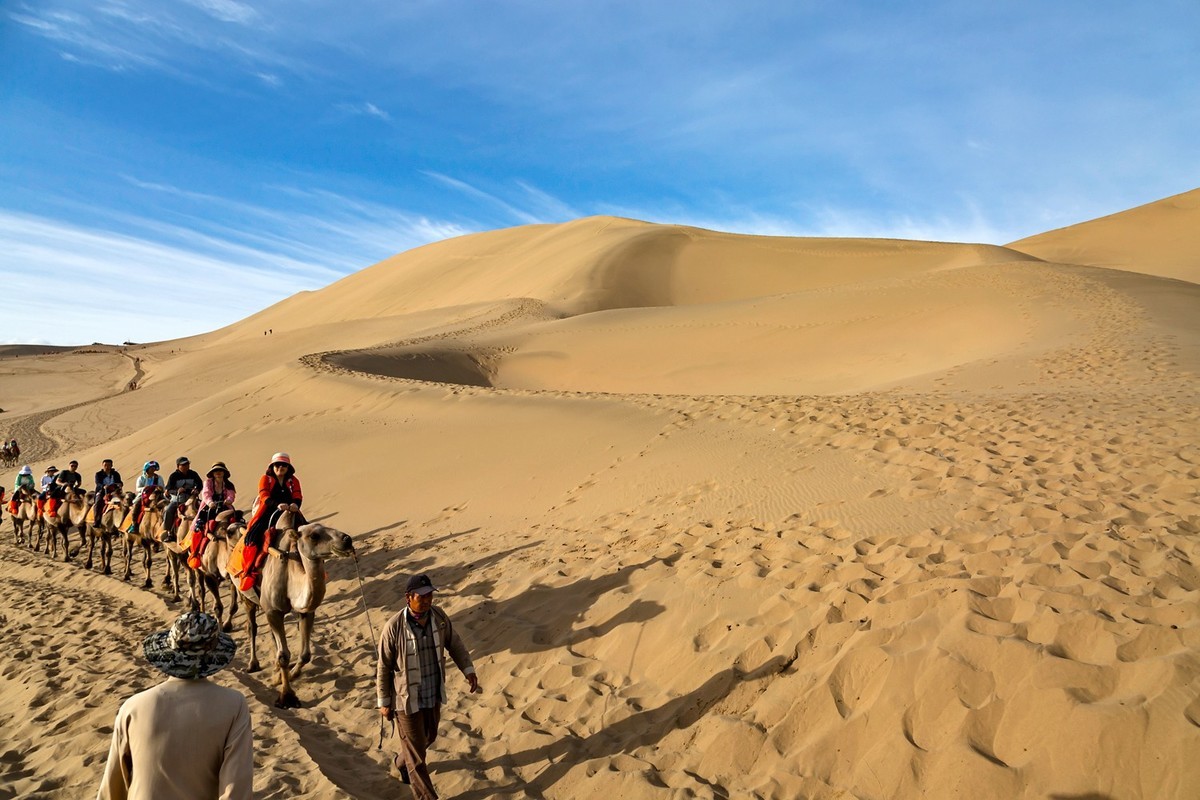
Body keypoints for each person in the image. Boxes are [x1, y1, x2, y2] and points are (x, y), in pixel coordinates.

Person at [96, 610, 253, 800]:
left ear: (170, 652)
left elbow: (113, 786)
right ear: (213, 655)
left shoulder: (132, 707)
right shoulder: (234, 705)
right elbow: (235, 789)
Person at [376, 574, 480, 799]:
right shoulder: (393, 627)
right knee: (418, 757)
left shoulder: (439, 618)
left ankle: (401, 761)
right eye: (421, 596)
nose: (427, 600)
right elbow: (383, 667)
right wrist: (384, 702)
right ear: (408, 597)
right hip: (406, 698)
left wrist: (468, 670)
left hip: (432, 693)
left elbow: (455, 643)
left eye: (430, 595)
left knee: (428, 738)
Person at [236, 453, 303, 598]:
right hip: (269, 513)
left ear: (288, 467)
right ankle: (248, 572)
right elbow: (264, 496)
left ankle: (314, 567)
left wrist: (294, 505)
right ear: (272, 466)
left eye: (284, 465)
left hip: (290, 512)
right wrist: (277, 505)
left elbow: (298, 495)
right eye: (277, 465)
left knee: (309, 533)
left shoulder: (293, 481)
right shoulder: (265, 479)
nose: (280, 467)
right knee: (251, 538)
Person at [188, 462, 236, 570]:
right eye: (216, 471)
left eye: (220, 471)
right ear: (213, 473)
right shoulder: (208, 482)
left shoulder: (228, 484)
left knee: (237, 523)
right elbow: (206, 494)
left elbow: (231, 495)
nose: (218, 473)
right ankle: (195, 554)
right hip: (209, 508)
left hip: (224, 507)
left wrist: (228, 500)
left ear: (224, 473)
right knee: (199, 527)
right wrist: (210, 502)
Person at [163, 457, 203, 540]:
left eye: (187, 464)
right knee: (168, 510)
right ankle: (169, 532)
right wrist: (177, 490)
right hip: (177, 500)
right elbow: (169, 489)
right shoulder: (173, 476)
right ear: (178, 466)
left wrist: (197, 490)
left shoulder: (193, 474)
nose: (186, 466)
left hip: (192, 498)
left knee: (204, 509)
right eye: (183, 465)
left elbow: (200, 484)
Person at [128, 461, 165, 534]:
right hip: (143, 495)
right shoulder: (141, 478)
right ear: (147, 469)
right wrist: (144, 488)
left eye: (154, 468)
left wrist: (159, 488)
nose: (153, 470)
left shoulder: (158, 477)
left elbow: (163, 487)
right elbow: (137, 489)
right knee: (136, 506)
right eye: (151, 468)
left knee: (167, 504)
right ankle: (134, 525)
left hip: (156, 495)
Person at [92, 459, 123, 525]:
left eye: (109, 465)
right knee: (97, 503)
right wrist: (103, 486)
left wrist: (120, 484)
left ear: (112, 465)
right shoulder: (98, 474)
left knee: (125, 501)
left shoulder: (115, 474)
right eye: (105, 465)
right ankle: (96, 520)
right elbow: (98, 483)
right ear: (102, 465)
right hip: (102, 491)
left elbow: (119, 481)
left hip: (114, 491)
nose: (107, 466)